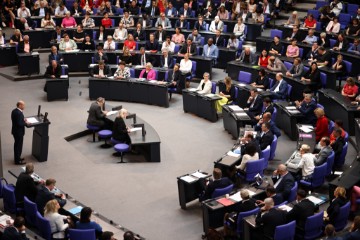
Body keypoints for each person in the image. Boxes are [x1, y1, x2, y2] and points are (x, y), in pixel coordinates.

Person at [11, 101, 29, 165]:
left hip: (15, 131)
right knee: (18, 146)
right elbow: (19, 124)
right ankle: (17, 161)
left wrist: (23, 119)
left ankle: (18, 158)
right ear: (20, 105)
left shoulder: (14, 111)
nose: (24, 106)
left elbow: (17, 120)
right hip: (18, 132)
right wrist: (26, 123)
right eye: (23, 105)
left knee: (17, 145)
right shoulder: (19, 113)